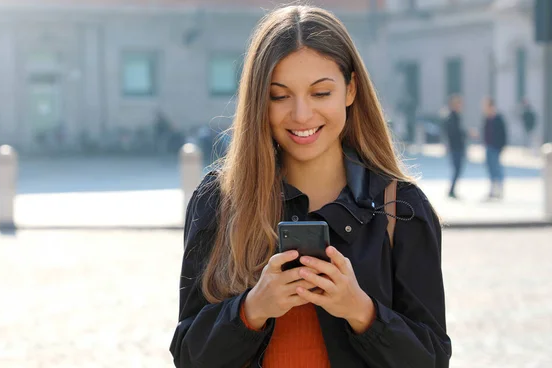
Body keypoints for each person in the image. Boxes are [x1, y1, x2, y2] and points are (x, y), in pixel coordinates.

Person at [170, 5, 451, 368]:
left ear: (350, 90)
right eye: (279, 95)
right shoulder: (218, 201)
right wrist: (251, 310)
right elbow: (189, 357)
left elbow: (432, 360)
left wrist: (362, 312)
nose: (302, 115)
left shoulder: (402, 208)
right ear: (259, 101)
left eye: (321, 93)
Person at [482, 97, 507, 200]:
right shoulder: (487, 118)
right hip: (488, 147)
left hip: (496, 147)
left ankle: (499, 190)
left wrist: (501, 147)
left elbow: (503, 134)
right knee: (490, 169)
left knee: (497, 169)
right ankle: (492, 190)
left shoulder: (498, 118)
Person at [443, 95, 466, 199]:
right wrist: (465, 134)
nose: (460, 106)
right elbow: (453, 133)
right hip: (455, 148)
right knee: (456, 169)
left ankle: (452, 190)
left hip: (458, 147)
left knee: (457, 169)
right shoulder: (451, 117)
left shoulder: (456, 116)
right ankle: (451, 190)